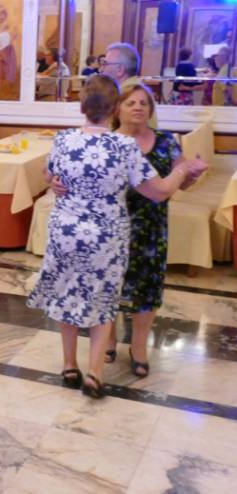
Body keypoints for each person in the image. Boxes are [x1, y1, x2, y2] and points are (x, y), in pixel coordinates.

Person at [27, 75, 206, 399]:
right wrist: (182, 170)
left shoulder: (64, 139)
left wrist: (56, 180)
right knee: (103, 300)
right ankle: (95, 373)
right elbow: (159, 191)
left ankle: (69, 364)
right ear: (113, 109)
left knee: (67, 293)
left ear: (82, 106)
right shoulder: (122, 146)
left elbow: (46, 172)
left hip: (65, 231)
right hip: (105, 236)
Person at [108, 83, 205, 376]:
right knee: (109, 285)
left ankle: (139, 347)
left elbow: (182, 183)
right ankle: (107, 339)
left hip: (151, 226)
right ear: (117, 109)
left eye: (144, 103)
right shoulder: (107, 142)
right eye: (130, 103)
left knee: (147, 288)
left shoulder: (166, 141)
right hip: (113, 226)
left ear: (151, 109)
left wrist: (193, 174)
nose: (138, 107)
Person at [100, 42, 157, 127]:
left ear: (120, 70)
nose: (101, 69)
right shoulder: (142, 91)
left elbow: (108, 132)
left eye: (105, 64)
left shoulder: (122, 96)